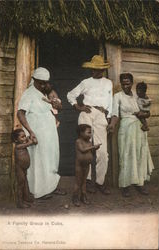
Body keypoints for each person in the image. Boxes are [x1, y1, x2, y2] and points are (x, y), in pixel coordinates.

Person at [17, 67, 66, 199]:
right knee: (39, 161)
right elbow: (20, 113)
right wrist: (30, 131)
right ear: (34, 80)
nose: (43, 85)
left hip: (49, 133)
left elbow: (56, 109)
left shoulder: (43, 93)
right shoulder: (29, 93)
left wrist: (56, 105)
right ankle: (40, 191)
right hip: (37, 132)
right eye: (40, 82)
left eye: (45, 82)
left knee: (51, 159)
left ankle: (51, 187)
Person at [67, 55, 112, 194]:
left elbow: (110, 101)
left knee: (102, 152)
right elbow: (70, 95)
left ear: (103, 70)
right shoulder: (86, 82)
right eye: (93, 69)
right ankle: (85, 181)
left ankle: (99, 182)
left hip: (101, 115)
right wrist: (78, 107)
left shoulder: (108, 83)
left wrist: (109, 117)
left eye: (98, 69)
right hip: (87, 112)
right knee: (86, 147)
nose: (95, 72)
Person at [108, 73, 154, 197]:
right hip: (126, 128)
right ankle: (125, 185)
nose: (125, 86)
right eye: (123, 84)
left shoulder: (138, 95)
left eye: (127, 83)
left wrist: (144, 115)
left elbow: (147, 112)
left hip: (138, 128)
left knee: (139, 155)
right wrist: (112, 125)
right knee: (125, 155)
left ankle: (140, 183)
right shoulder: (117, 96)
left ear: (132, 83)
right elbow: (115, 114)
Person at [72, 124, 101, 207]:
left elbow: (91, 152)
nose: (90, 134)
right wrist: (92, 147)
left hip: (86, 165)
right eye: (88, 132)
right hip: (79, 166)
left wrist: (95, 148)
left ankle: (83, 196)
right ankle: (75, 197)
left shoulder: (89, 142)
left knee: (84, 181)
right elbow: (82, 149)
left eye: (91, 133)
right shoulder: (78, 141)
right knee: (78, 182)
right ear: (81, 133)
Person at [11, 129, 34, 208]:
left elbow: (28, 142)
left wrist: (27, 138)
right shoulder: (18, 146)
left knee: (25, 182)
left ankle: (26, 197)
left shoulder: (22, 144)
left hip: (24, 168)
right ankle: (20, 202)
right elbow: (30, 143)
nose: (24, 138)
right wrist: (29, 139)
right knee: (21, 184)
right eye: (22, 137)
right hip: (19, 168)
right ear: (16, 140)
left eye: (24, 136)